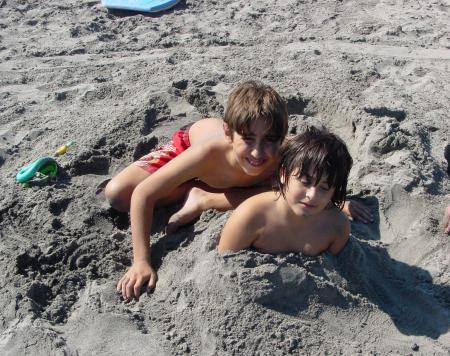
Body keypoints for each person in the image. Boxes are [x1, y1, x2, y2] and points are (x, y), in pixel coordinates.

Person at [107, 81, 289, 300]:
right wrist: (141, 261)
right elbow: (143, 193)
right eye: (248, 139)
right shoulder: (208, 153)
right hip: (188, 145)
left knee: (283, 193)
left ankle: (204, 196)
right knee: (118, 194)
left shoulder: (286, 157)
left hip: (219, 179)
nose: (258, 152)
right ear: (229, 133)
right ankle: (192, 186)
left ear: (282, 137)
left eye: (269, 140)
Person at [218, 126, 353, 256]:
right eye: (306, 182)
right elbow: (222, 264)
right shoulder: (250, 216)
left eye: (324, 188)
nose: (312, 195)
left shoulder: (337, 228)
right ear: (283, 174)